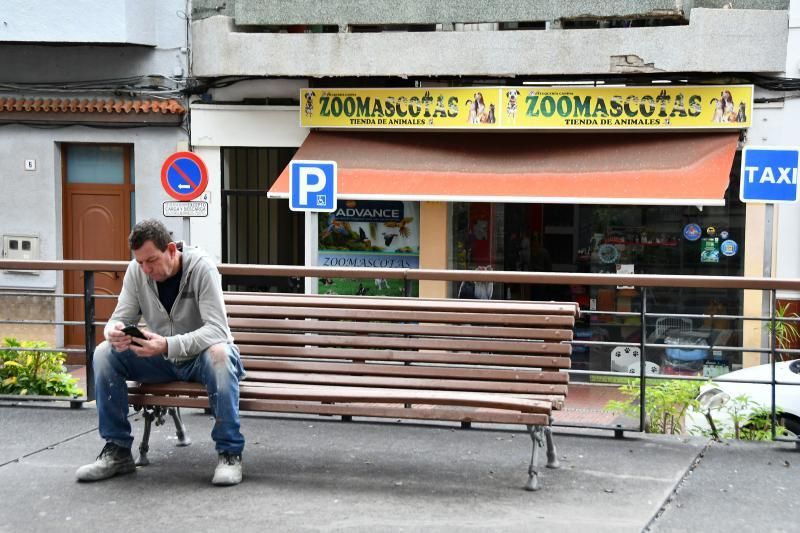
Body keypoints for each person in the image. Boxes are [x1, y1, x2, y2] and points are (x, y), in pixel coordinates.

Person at [75, 219, 245, 486]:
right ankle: (118, 450)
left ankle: (230, 453)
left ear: (171, 250)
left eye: (151, 260)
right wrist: (114, 332)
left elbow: (218, 332)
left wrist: (167, 345)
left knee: (221, 355)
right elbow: (119, 317)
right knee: (104, 353)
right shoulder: (137, 271)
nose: (146, 269)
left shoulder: (201, 267)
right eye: (140, 262)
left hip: (202, 357)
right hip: (161, 359)